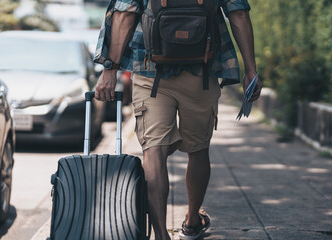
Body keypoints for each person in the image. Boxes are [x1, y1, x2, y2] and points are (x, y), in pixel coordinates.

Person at [94, 0, 262, 239]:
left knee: (154, 152)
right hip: (201, 73)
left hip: (150, 71)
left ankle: (161, 234)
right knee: (198, 149)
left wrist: (110, 70)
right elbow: (238, 14)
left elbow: (124, 15)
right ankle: (193, 220)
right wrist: (251, 70)